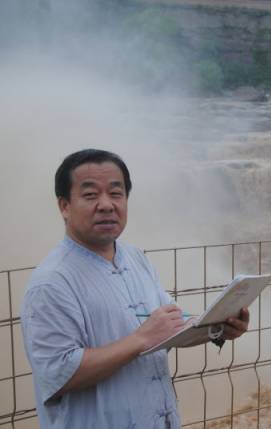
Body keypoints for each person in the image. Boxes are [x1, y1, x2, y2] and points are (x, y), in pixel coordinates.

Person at [20, 149, 250, 428]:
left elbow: (170, 327)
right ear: (64, 206)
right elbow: (57, 372)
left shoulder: (135, 258)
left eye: (116, 194)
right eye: (91, 195)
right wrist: (141, 339)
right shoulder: (52, 283)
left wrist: (218, 328)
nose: (106, 205)